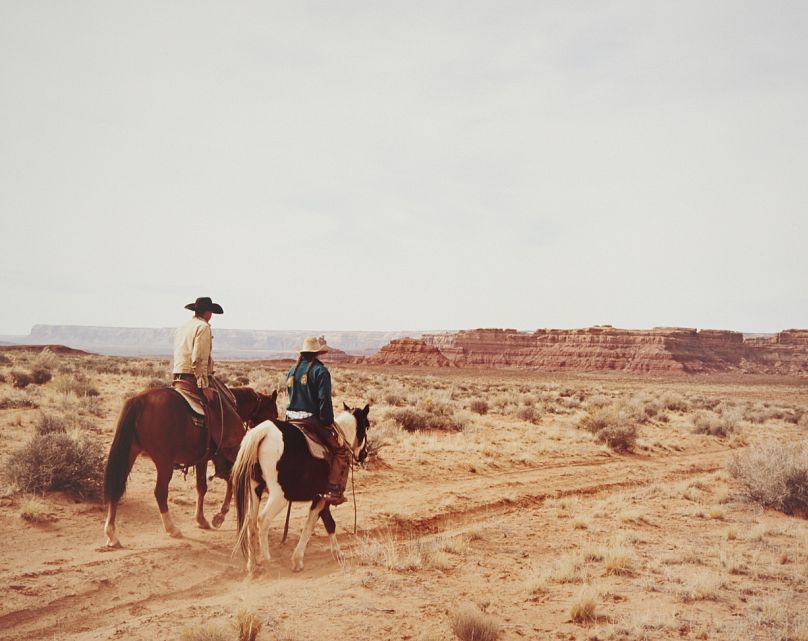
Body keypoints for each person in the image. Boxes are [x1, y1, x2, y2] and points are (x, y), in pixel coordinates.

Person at [286, 336, 352, 505]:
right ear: (317, 354)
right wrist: (327, 420)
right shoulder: (320, 371)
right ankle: (333, 489)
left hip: (290, 418)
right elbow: (324, 400)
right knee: (341, 451)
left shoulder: (292, 370)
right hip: (310, 420)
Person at [172, 296, 222, 401]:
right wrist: (203, 385)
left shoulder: (182, 327)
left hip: (178, 376)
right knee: (217, 406)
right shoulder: (203, 327)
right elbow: (199, 358)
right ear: (208, 312)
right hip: (192, 377)